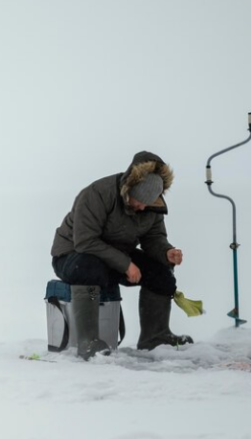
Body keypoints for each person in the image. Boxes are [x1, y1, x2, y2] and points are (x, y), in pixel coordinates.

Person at [51, 151, 193, 360]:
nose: (142, 207)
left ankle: (155, 338)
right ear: (129, 189)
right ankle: (88, 342)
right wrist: (126, 264)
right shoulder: (97, 194)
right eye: (139, 201)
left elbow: (154, 238)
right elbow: (85, 242)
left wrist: (166, 252)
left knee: (161, 272)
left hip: (116, 256)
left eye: (148, 203)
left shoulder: (151, 206)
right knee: (90, 268)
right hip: (72, 255)